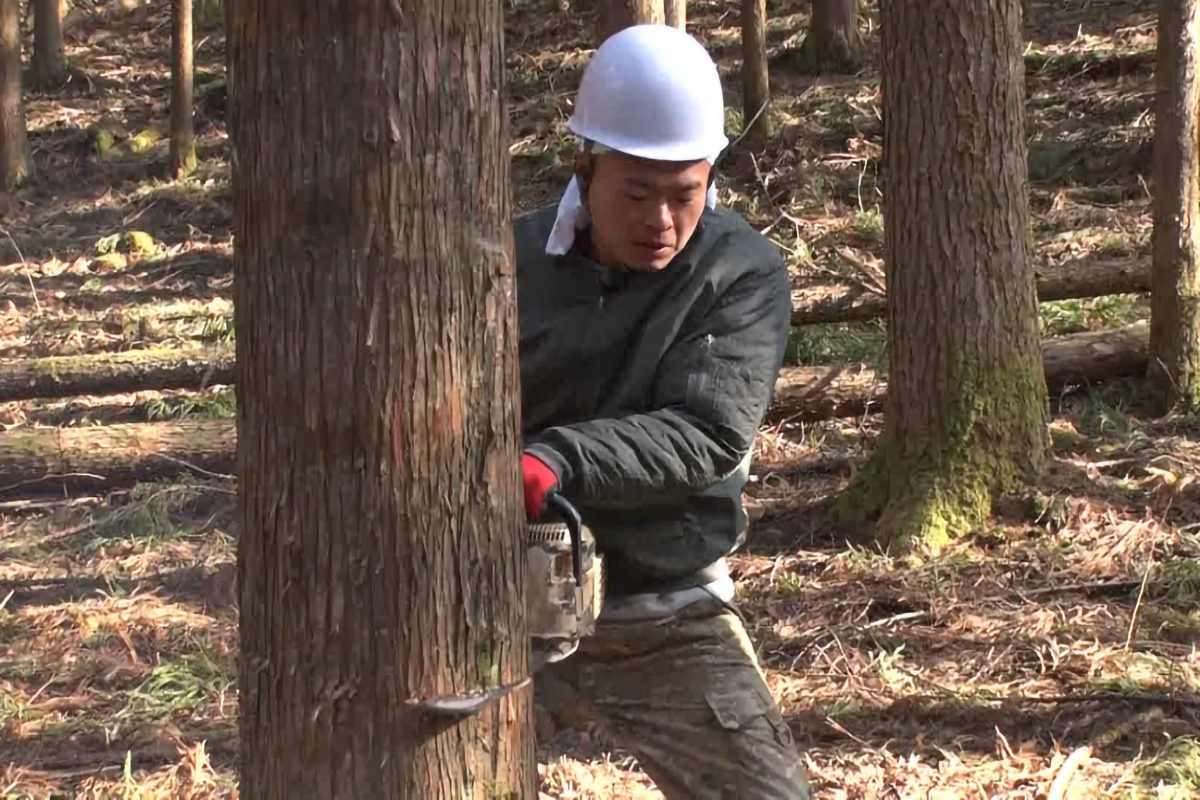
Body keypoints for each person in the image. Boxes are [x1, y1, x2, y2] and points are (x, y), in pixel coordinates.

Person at [515, 24, 811, 800]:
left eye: (686, 194)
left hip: (666, 611)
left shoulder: (739, 273)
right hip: (506, 610)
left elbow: (709, 432)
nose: (662, 222)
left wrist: (554, 460)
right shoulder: (509, 264)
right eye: (637, 194)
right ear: (586, 166)